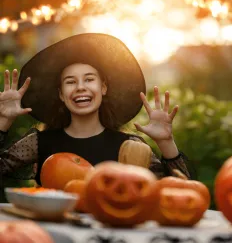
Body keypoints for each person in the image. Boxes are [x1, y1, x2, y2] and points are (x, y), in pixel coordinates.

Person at [0, 33, 194, 189]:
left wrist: (166, 143)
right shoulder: (39, 142)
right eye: (70, 82)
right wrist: (3, 121)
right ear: (61, 94)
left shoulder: (129, 148)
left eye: (89, 79)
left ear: (103, 88)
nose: (80, 87)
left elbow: (180, 193)